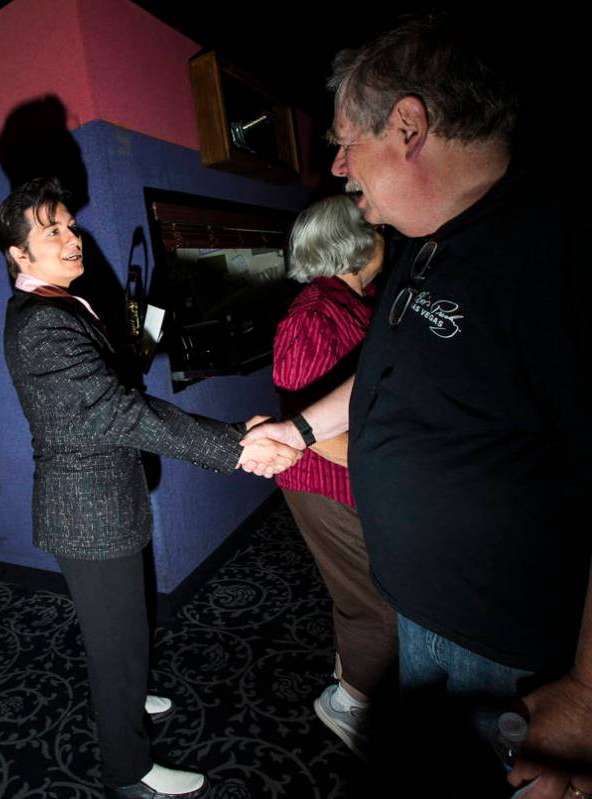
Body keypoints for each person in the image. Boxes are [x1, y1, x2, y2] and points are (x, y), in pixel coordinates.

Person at [241, 14, 590, 797]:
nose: (335, 165)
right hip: (422, 607)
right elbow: (383, 378)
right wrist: (298, 428)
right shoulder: (425, 243)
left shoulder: (551, 243)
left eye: (343, 140)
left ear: (408, 126)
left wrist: (589, 696)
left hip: (501, 637)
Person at [0, 176, 299, 799]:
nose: (71, 237)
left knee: (127, 628)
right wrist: (231, 447)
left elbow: (106, 392)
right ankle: (128, 772)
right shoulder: (42, 323)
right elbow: (117, 413)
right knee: (115, 643)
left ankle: (129, 695)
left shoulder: (56, 305)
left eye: (70, 225)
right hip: (87, 510)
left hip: (104, 499)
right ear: (18, 255)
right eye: (51, 231)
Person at [272, 195, 396, 758]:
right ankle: (348, 703)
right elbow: (309, 427)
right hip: (324, 483)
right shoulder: (312, 313)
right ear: (356, 240)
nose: (386, 236)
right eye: (377, 228)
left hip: (355, 479)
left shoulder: (357, 301)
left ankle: (356, 682)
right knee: (374, 601)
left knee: (364, 591)